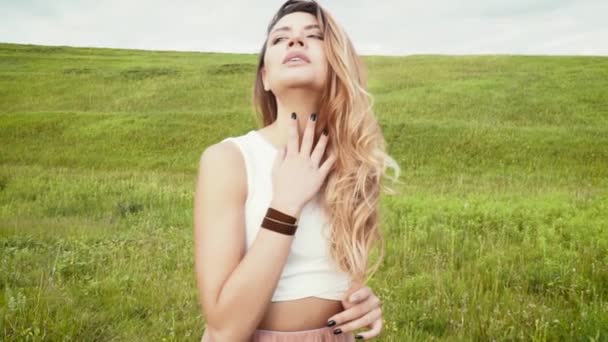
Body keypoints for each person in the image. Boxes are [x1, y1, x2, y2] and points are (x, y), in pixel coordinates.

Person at [193, 0, 401, 341]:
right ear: (266, 77)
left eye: (313, 35)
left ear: (336, 62)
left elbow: (338, 277)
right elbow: (224, 327)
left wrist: (362, 302)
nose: (294, 41)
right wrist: (285, 205)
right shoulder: (229, 159)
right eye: (279, 39)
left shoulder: (354, 163)